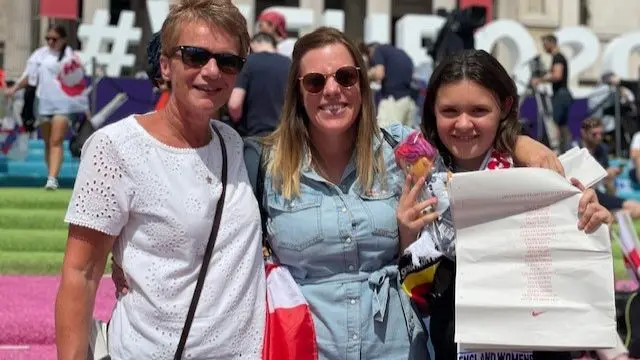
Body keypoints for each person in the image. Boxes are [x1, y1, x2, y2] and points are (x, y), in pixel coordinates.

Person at [111, 27, 565, 359]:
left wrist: (522, 143)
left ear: (361, 84)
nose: (332, 90)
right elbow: (195, 210)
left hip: (400, 347)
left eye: (345, 77)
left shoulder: (403, 144)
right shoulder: (263, 162)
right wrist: (124, 253)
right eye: (315, 81)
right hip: (307, 346)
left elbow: (466, 161)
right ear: (299, 91)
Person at [55, 1, 265, 359]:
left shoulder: (231, 143)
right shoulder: (116, 148)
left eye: (228, 61)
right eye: (195, 56)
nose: (212, 71)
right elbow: (81, 274)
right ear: (166, 65)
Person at [409, 49, 613, 360]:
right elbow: (411, 285)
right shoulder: (415, 177)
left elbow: (576, 277)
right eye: (449, 111)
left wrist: (589, 221)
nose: (463, 124)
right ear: (432, 111)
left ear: (504, 107)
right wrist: (405, 232)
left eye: (479, 110)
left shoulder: (545, 175)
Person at [4, 24, 89, 190]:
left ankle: (52, 178)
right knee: (48, 142)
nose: (50, 42)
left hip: (63, 105)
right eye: (48, 38)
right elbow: (29, 76)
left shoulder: (71, 57)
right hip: (43, 103)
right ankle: (50, 174)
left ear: (63, 40)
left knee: (56, 140)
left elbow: (78, 83)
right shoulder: (39, 55)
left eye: (54, 39)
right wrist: (14, 89)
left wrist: (83, 106)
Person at [228, 32, 291, 137]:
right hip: (284, 139)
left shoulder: (248, 63)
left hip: (255, 138)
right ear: (275, 48)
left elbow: (234, 105)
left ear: (252, 46)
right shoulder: (289, 64)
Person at [532, 34, 573, 153]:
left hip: (561, 94)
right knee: (563, 125)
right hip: (563, 94)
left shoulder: (558, 57)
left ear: (551, 43)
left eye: (544, 43)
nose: (544, 47)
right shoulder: (558, 57)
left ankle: (559, 150)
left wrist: (539, 80)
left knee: (555, 124)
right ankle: (566, 149)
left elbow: (557, 75)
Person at [364, 42, 417, 128]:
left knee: (385, 135)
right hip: (408, 100)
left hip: (393, 100)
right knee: (406, 138)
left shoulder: (377, 50)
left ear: (370, 51)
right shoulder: (399, 53)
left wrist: (365, 75)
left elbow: (379, 73)